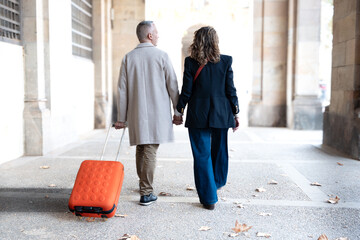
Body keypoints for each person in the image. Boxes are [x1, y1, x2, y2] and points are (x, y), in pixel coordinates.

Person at [115, 20, 182, 206]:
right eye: (157, 32)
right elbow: (173, 86)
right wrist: (177, 112)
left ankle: (144, 185)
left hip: (136, 113)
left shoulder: (128, 58)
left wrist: (122, 118)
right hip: (157, 113)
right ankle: (146, 192)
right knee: (150, 149)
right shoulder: (162, 56)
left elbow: (122, 90)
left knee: (142, 147)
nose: (159, 35)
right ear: (150, 35)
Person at [176, 26, 239, 210]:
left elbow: (186, 90)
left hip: (198, 114)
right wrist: (235, 112)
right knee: (220, 151)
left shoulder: (190, 62)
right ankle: (216, 183)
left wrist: (179, 111)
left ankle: (209, 197)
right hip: (221, 113)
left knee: (201, 155)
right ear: (215, 41)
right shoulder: (226, 61)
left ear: (197, 42)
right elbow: (230, 90)